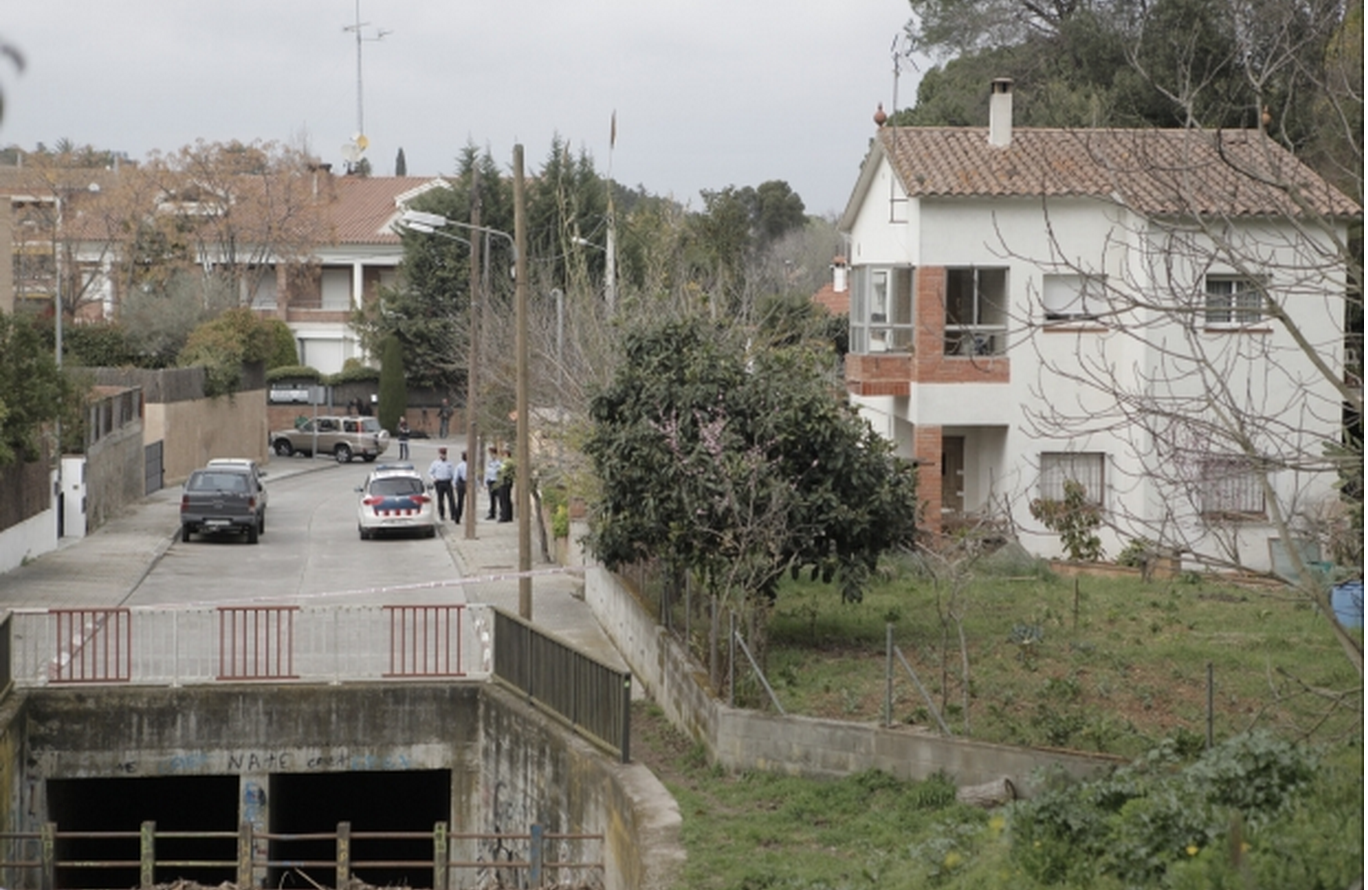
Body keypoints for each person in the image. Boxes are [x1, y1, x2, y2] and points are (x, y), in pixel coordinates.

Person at [427, 447, 457, 522]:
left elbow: (453, 474)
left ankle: (453, 514)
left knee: (451, 499)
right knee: (440, 499)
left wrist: (454, 483)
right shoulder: (435, 463)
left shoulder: (450, 463)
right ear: (439, 455)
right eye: (442, 454)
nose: (443, 456)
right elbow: (430, 472)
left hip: (447, 482)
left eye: (444, 454)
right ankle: (441, 515)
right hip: (439, 482)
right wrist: (433, 479)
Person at [496, 448, 515, 523]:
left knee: (503, 499)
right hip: (508, 481)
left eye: (503, 455)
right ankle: (509, 516)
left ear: (506, 454)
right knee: (507, 499)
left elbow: (501, 471)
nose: (502, 456)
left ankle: (504, 516)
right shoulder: (511, 461)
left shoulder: (507, 462)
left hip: (504, 482)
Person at [484, 446, 502, 520]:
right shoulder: (489, 463)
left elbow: (500, 472)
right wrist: (485, 483)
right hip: (490, 482)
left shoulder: (499, 463)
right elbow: (487, 473)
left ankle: (501, 513)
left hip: (497, 481)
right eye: (491, 454)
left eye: (493, 454)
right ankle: (492, 513)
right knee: (492, 498)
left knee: (499, 498)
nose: (492, 456)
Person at [453, 450, 469, 524]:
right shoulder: (460, 466)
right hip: (462, 483)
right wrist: (454, 484)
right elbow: (456, 476)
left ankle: (469, 518)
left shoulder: (470, 465)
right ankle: (458, 517)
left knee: (468, 502)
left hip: (467, 483)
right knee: (460, 501)